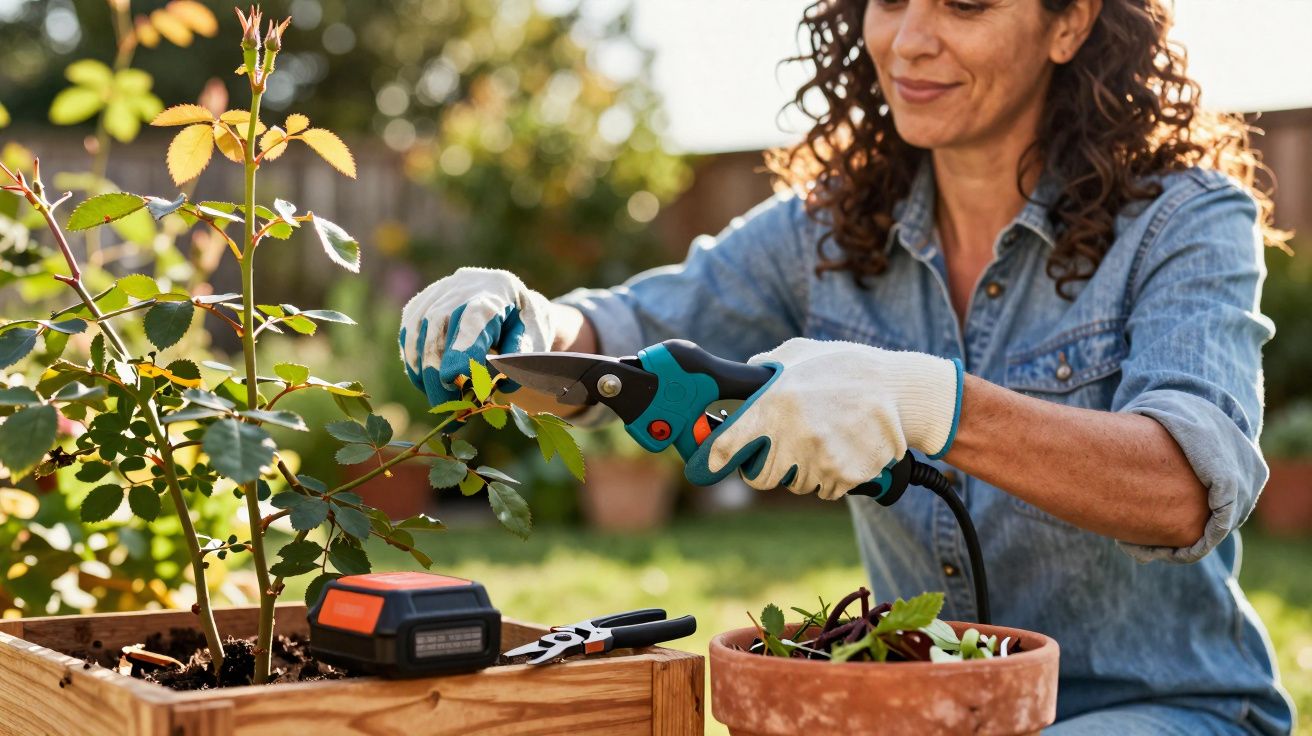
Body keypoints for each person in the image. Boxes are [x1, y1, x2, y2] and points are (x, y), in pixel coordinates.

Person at [398, 0, 1294, 732]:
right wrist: (531, 322)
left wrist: (927, 402)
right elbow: (630, 326)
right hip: (924, 709)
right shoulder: (826, 232)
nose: (908, 40)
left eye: (966, 5)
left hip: (1162, 709)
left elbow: (1183, 485)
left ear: (1070, 24)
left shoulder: (1183, 219)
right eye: (890, 0)